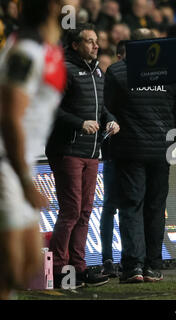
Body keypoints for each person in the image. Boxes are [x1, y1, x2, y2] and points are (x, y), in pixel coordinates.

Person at [104, 28, 176, 283]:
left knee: (131, 206)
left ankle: (133, 267)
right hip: (162, 151)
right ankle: (152, 265)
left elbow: (107, 110)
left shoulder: (116, 72)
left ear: (128, 48)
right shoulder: (170, 73)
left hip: (129, 151)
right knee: (155, 208)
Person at [45, 23, 120, 288]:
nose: (96, 45)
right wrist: (79, 123)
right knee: (71, 211)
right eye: (89, 41)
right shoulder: (64, 69)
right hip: (67, 149)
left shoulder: (98, 71)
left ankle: (79, 267)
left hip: (91, 151)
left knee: (85, 211)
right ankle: (58, 271)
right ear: (75, 45)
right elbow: (50, 107)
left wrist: (111, 120)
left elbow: (102, 108)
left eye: (96, 40)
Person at [0, 0, 66, 300]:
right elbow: (9, 117)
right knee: (11, 267)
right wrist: (25, 181)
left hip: (20, 164)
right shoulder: (25, 51)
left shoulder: (47, 49)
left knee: (25, 266)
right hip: (6, 162)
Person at [100, 40, 127, 279]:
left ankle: (130, 258)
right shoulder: (103, 89)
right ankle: (107, 258)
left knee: (127, 206)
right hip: (112, 154)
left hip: (132, 153)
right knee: (110, 206)